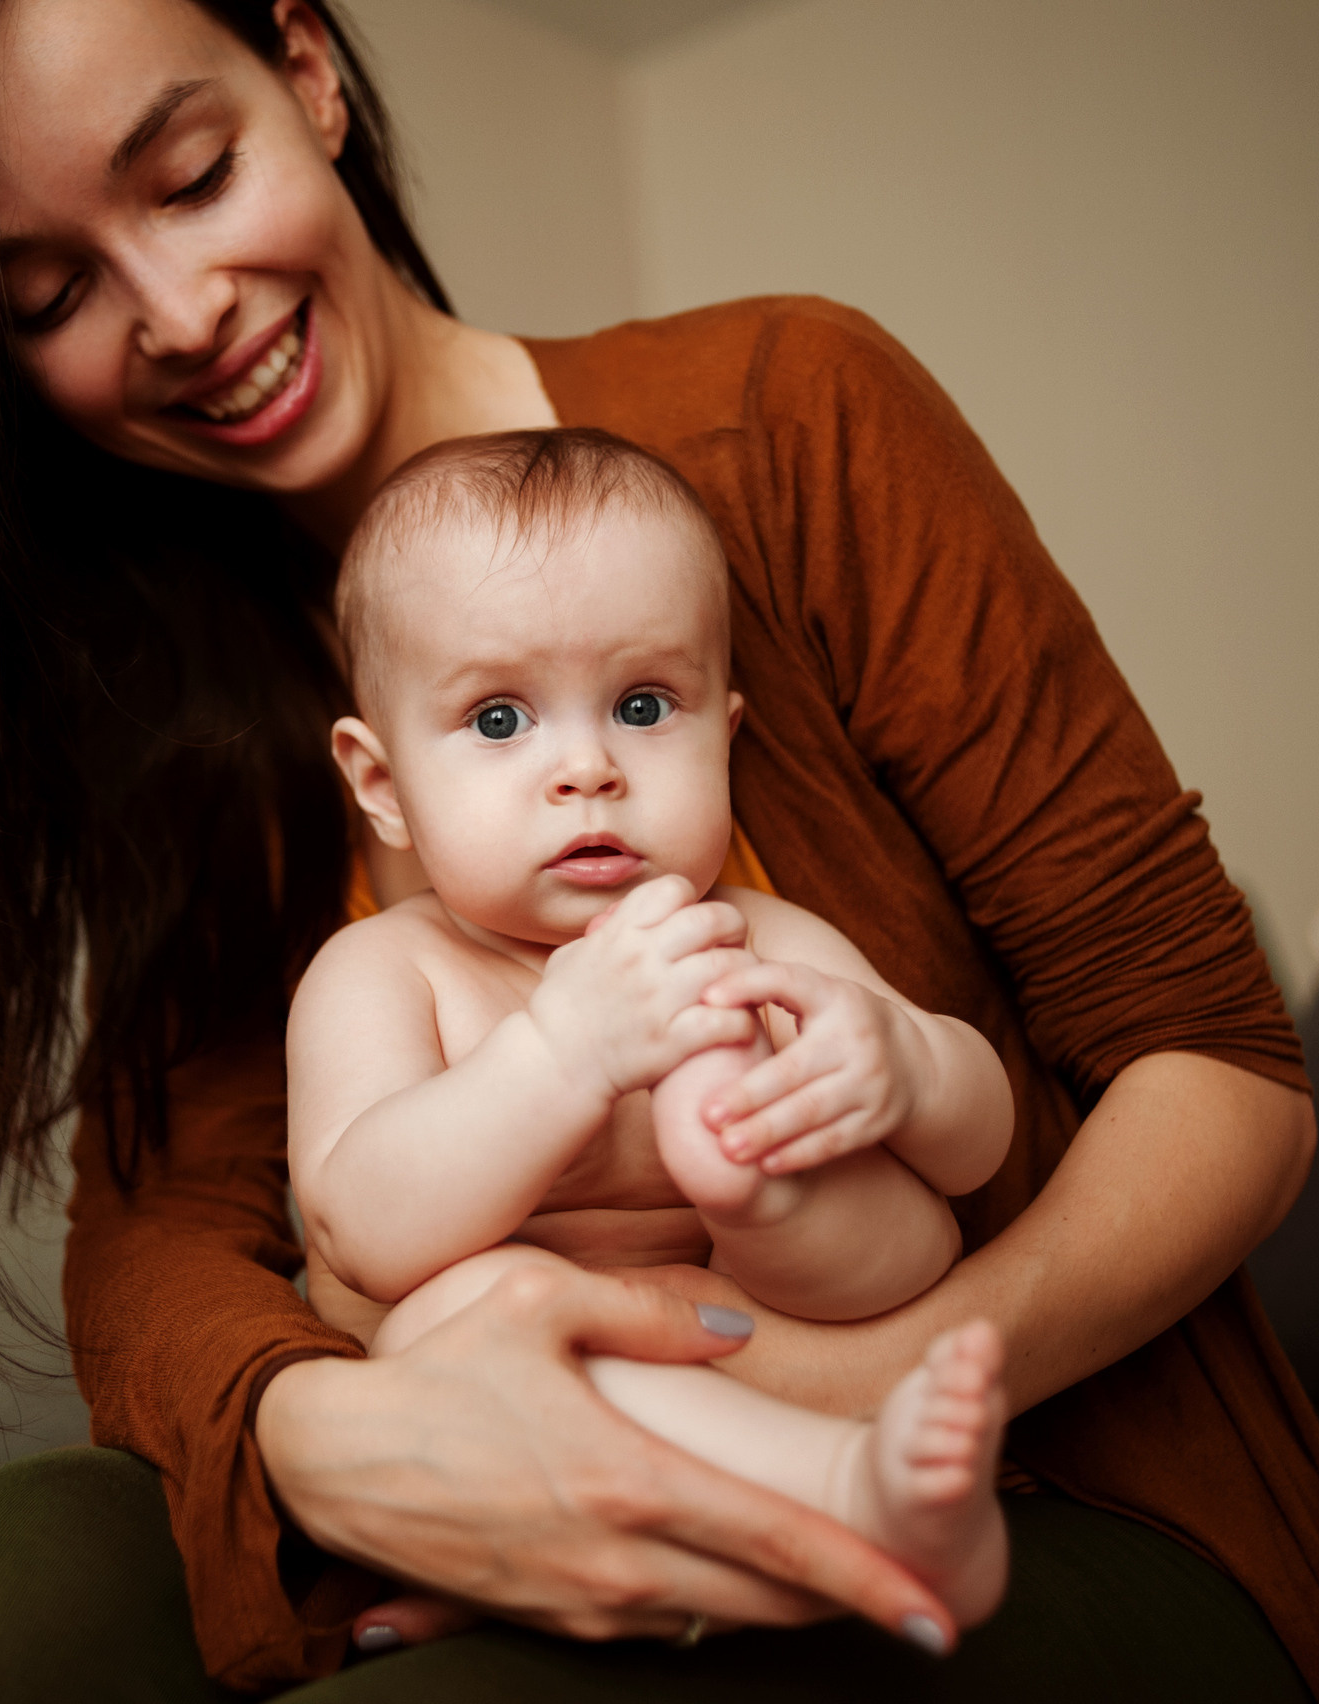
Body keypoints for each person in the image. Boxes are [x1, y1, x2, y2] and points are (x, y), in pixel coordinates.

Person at [0, 0, 1319, 1698]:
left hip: (1035, 1468)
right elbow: (172, 1234)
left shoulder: (788, 416)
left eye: (196, 176)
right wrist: (344, 1441)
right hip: (499, 1424)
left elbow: (1223, 1071)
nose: (183, 310)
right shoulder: (181, 708)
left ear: (309, 74)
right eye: (47, 296)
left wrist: (832, 1391)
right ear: (375, 774)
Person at [291, 428, 1019, 1646]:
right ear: (382, 785)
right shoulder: (384, 971)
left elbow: (975, 1154)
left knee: (890, 1207)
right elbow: (360, 1235)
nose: (587, 768)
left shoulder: (756, 938)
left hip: (770, 1344)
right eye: (498, 718)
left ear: (723, 734)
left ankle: (758, 1210)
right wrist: (562, 1056)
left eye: (642, 707)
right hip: (533, 1414)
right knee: (457, 1305)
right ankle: (856, 1498)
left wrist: (905, 1070)